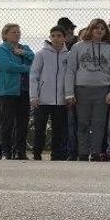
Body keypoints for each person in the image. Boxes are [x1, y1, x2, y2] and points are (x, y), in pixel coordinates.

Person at [65, 19, 110, 161]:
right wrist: (69, 93)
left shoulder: (109, 49)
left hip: (103, 91)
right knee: (82, 123)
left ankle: (96, 152)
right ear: (90, 29)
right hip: (81, 90)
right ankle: (82, 152)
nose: (99, 30)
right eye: (96, 28)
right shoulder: (78, 47)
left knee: (99, 123)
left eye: (102, 28)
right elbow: (70, 70)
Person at [0, 23, 35, 160]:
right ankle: (6, 151)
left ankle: (20, 151)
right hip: (8, 91)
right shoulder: (1, 50)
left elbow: (36, 61)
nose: (17, 34)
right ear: (5, 35)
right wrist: (26, 68)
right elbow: (7, 66)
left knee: (23, 122)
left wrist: (23, 53)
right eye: (13, 32)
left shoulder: (25, 48)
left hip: (24, 90)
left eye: (18, 32)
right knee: (7, 122)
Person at [29, 26, 69, 160]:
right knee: (40, 128)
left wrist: (68, 95)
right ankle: (36, 153)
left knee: (58, 129)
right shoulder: (41, 54)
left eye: (59, 35)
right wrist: (34, 96)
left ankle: (57, 154)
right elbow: (34, 75)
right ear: (50, 37)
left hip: (61, 100)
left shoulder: (68, 55)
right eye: (53, 35)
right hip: (43, 99)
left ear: (64, 38)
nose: (56, 38)